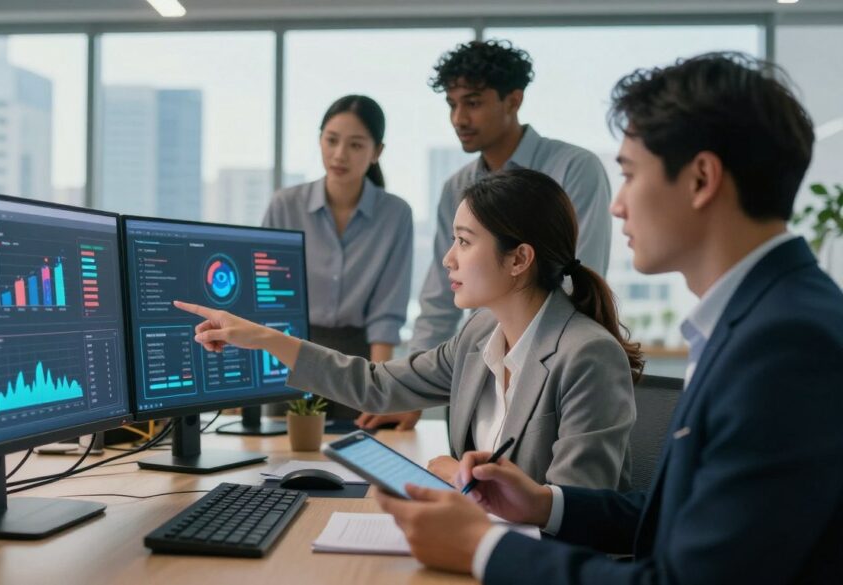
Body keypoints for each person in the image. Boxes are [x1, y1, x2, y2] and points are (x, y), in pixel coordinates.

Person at [374, 52, 843, 584]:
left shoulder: (787, 343)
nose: (617, 206)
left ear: (701, 179)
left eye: (630, 174)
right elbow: (680, 522)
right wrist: (544, 504)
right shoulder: (760, 319)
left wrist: (483, 549)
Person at [177, 168, 643, 490]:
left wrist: (456, 477)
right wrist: (260, 337)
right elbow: (376, 386)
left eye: (464, 241)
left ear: (519, 258)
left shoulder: (586, 355)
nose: (448, 258)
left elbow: (580, 512)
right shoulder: (479, 334)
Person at [369, 39, 614, 430]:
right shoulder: (457, 187)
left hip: (552, 374)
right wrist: (409, 393)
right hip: (478, 370)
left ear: (513, 101)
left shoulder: (573, 168)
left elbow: (577, 279)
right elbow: (438, 299)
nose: (458, 117)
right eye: (452, 104)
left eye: (473, 102)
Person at [261, 95, 414, 427]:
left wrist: (379, 390)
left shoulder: (395, 214)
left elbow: (386, 313)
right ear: (320, 139)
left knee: (357, 459)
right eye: (331, 140)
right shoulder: (285, 205)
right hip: (291, 350)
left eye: (356, 145)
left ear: (377, 152)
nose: (339, 154)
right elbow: (267, 302)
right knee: (279, 465)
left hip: (358, 359)